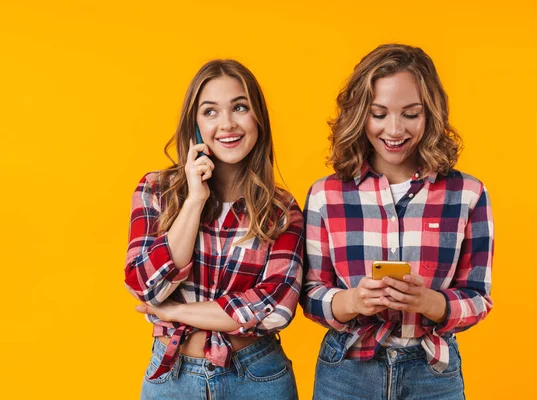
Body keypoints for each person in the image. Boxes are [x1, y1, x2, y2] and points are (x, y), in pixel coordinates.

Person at [301, 44, 494, 399]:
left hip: (432, 373)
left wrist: (429, 302)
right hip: (346, 372)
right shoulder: (325, 195)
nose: (394, 129)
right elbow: (310, 294)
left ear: (430, 115)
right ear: (360, 114)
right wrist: (354, 302)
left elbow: (478, 297)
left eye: (410, 114)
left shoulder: (468, 194)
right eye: (379, 113)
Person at [125, 59, 303, 400]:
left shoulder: (281, 210)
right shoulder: (155, 190)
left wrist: (174, 312)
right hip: (171, 377)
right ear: (194, 125)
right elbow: (145, 287)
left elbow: (276, 307)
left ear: (258, 120)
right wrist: (193, 201)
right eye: (210, 112)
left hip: (257, 376)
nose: (227, 124)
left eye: (240, 107)